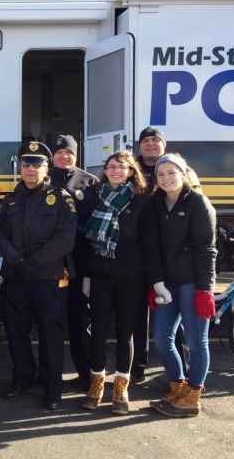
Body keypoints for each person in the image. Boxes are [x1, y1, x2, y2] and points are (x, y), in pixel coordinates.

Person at [0, 141, 77, 411]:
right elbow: (0, 235)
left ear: (47, 168)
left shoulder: (62, 198)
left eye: (37, 164)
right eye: (26, 164)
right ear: (21, 167)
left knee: (50, 334)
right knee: (16, 332)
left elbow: (66, 239)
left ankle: (52, 387)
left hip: (49, 277)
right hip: (16, 276)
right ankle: (23, 378)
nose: (30, 169)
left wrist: (34, 261)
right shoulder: (11, 200)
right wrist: (18, 260)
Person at [80, 151, 154, 415]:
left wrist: (153, 279)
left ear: (131, 171)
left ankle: (121, 386)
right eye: (110, 167)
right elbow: (86, 243)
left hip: (132, 276)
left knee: (126, 334)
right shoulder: (93, 199)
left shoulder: (142, 201)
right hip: (100, 275)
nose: (115, 171)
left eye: (121, 167)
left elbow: (149, 242)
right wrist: (86, 274)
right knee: (98, 333)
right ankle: (96, 384)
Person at [145, 154, 217, 417]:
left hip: (191, 282)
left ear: (183, 173)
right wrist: (155, 282)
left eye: (171, 173)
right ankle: (178, 387)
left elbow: (206, 249)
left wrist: (205, 289)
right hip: (167, 284)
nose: (165, 178)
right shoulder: (155, 203)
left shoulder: (198, 203)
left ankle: (192, 397)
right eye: (160, 174)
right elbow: (151, 246)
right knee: (163, 339)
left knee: (197, 342)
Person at [133, 126, 197, 382]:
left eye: (154, 140)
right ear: (139, 146)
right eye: (145, 140)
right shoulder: (132, 170)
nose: (150, 144)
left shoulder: (179, 169)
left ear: (163, 144)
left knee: (173, 321)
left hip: (172, 258)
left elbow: (196, 206)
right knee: (138, 314)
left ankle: (178, 374)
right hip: (140, 255)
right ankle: (137, 366)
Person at [48, 135, 98, 389]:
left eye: (69, 152)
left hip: (80, 265)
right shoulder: (43, 179)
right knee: (51, 321)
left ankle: (86, 375)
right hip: (51, 265)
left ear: (75, 155)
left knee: (81, 321)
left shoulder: (90, 183)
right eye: (59, 152)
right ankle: (50, 376)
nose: (64, 156)